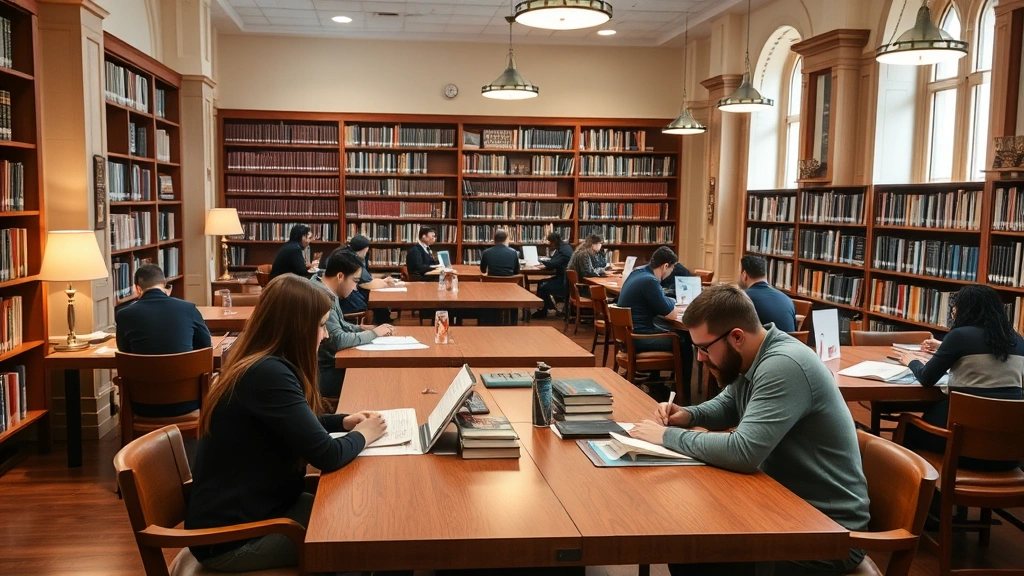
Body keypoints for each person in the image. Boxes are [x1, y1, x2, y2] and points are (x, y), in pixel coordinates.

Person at [630, 285, 870, 576]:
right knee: (686, 543)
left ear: (737, 337)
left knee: (695, 555)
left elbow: (743, 452)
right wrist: (687, 415)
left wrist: (667, 437)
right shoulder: (753, 356)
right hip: (783, 507)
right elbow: (726, 407)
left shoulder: (783, 365)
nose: (701, 359)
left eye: (704, 349)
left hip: (826, 533)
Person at [185, 274, 387, 572]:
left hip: (262, 510)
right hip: (232, 539)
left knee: (366, 518)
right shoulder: (268, 374)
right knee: (352, 540)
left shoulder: (261, 362)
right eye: (320, 326)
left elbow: (287, 422)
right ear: (297, 328)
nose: (326, 335)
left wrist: (342, 421)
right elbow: (327, 456)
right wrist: (364, 435)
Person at [893, 285, 1024, 471]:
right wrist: (943, 347)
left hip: (961, 448)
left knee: (907, 427)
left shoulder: (960, 336)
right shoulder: (1017, 340)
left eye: (956, 306)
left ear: (966, 309)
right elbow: (989, 355)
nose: (953, 310)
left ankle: (921, 495)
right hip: (1007, 453)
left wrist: (912, 361)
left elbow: (927, 378)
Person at [115, 264, 212, 418]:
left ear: (137, 289)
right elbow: (206, 345)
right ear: (165, 285)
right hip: (188, 401)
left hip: (141, 404)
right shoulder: (188, 308)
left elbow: (124, 351)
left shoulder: (124, 314)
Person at [315, 250, 394, 398]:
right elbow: (337, 340)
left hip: (326, 364)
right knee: (376, 379)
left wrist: (360, 328)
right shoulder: (322, 297)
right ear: (340, 276)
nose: (355, 288)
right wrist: (374, 333)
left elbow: (338, 325)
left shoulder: (322, 285)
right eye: (355, 281)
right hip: (322, 371)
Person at [324, 234, 395, 325]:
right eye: (366, 251)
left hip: (342, 301)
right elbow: (366, 283)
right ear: (364, 249)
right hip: (350, 303)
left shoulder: (344, 254)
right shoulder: (353, 261)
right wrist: (385, 283)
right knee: (374, 301)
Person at [737, 255, 796, 332]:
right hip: (789, 343)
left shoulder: (741, 299)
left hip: (765, 343)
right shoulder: (787, 299)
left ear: (744, 275)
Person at [532, 231, 573, 319]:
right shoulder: (562, 247)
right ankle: (546, 308)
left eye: (550, 242)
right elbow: (554, 262)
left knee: (543, 287)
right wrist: (546, 263)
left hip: (565, 281)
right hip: (562, 277)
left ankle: (544, 311)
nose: (549, 244)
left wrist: (540, 262)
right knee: (541, 283)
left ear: (554, 241)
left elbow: (554, 263)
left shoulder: (564, 251)